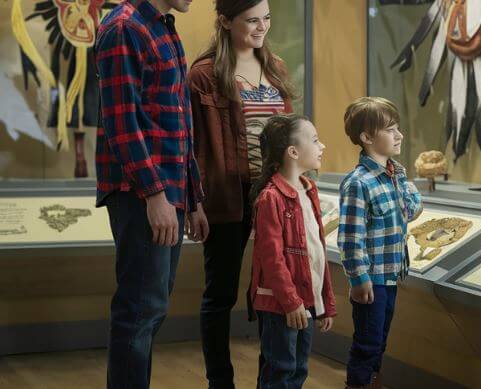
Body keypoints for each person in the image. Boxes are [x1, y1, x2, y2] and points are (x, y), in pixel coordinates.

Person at [95, 1, 208, 388]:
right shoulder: (126, 28)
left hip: (168, 191)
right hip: (141, 193)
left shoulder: (163, 27)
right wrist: (155, 194)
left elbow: (178, 120)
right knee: (139, 310)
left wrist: (192, 199)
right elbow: (121, 121)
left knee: (151, 309)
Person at [187, 0, 295, 387]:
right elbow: (193, 146)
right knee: (221, 295)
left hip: (275, 194)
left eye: (266, 18)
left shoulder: (275, 68)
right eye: (251, 20)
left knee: (274, 290)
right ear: (225, 22)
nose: (261, 26)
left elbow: (287, 136)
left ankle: (273, 377)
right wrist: (193, 203)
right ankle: (221, 381)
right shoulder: (204, 75)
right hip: (227, 195)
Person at [337, 97, 423, 388]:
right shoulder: (358, 183)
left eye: (398, 128)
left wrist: (405, 181)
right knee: (367, 343)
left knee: (380, 340)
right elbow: (350, 238)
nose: (400, 135)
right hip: (371, 281)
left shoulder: (395, 175)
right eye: (391, 129)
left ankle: (372, 381)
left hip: (390, 276)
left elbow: (411, 211)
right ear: (367, 137)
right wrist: (359, 279)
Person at [249, 114, 337, 388]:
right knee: (280, 369)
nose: (321, 146)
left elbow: (316, 253)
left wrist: (325, 303)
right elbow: (272, 259)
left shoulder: (309, 191)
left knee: (298, 369)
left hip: (306, 303)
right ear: (293, 151)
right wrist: (291, 302)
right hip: (281, 305)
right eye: (314, 140)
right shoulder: (270, 198)